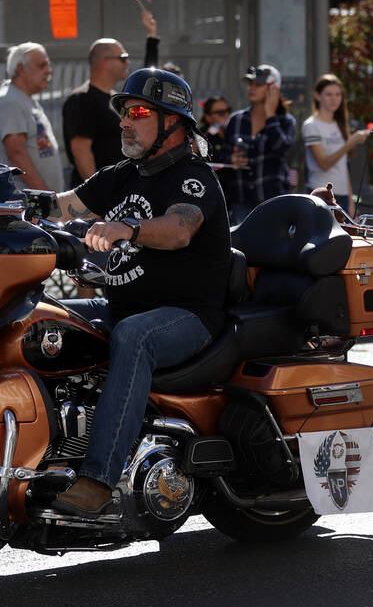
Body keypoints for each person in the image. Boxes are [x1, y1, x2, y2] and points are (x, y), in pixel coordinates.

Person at [32, 68, 231, 517]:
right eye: (123, 112)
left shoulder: (191, 176)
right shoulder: (123, 175)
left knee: (135, 336)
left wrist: (129, 228)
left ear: (173, 122)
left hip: (186, 315)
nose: (124, 121)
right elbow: (63, 204)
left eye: (137, 111)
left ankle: (99, 478)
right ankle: (42, 459)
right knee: (39, 319)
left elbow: (180, 228)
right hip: (122, 306)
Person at [221, 64, 297, 223]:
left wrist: (270, 114)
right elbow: (222, 156)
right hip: (240, 203)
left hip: (274, 203)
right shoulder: (236, 120)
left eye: (259, 84)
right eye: (251, 84)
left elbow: (281, 148)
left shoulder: (285, 121)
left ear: (273, 88)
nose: (252, 88)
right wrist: (231, 159)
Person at [0, 42, 62, 191]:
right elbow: (16, 152)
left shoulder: (23, 98)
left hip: (35, 204)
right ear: (21, 69)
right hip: (25, 204)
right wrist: (45, 195)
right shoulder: (11, 101)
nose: (49, 71)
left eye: (48, 65)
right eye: (42, 66)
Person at [62, 38, 132, 189]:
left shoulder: (114, 99)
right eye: (123, 58)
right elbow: (81, 151)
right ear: (104, 62)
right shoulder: (82, 99)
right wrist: (98, 193)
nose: (128, 62)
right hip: (98, 199)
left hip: (117, 191)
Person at [301, 73, 370, 216]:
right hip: (320, 196)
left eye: (338, 94)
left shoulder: (340, 124)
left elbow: (343, 166)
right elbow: (324, 164)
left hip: (342, 196)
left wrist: (350, 200)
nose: (334, 99)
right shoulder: (311, 125)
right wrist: (350, 143)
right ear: (317, 96)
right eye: (329, 94)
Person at [197, 96, 235, 206]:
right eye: (220, 113)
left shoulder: (235, 133)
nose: (226, 115)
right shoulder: (201, 136)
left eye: (228, 111)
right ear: (208, 117)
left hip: (234, 194)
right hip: (211, 194)